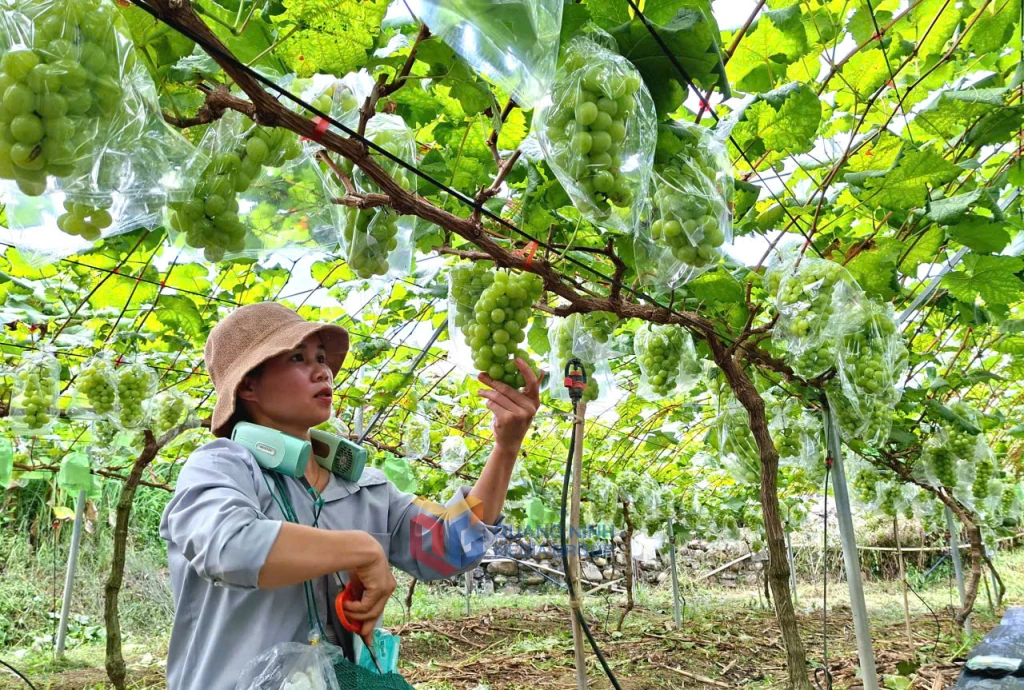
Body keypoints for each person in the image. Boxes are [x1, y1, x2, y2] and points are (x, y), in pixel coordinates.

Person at [158, 302, 543, 690]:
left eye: (322, 357)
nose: (322, 370)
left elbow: (452, 547)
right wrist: (362, 549)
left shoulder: (364, 489)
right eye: (298, 357)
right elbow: (229, 546)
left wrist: (506, 447)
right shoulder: (222, 466)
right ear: (249, 386)